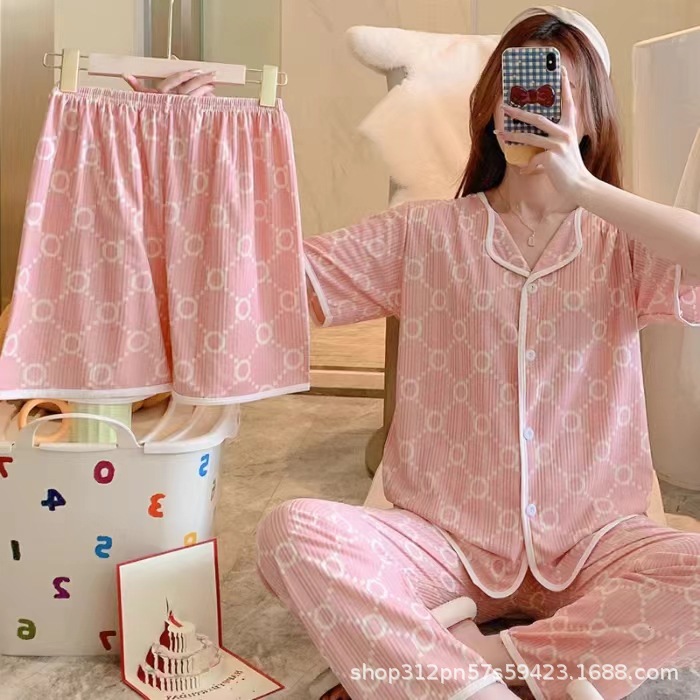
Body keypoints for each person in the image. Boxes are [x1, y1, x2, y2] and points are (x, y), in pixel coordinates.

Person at [129, 6, 700, 699]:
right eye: (520, 88)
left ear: (592, 118)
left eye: (562, 93)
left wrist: (584, 189)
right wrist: (187, 146)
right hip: (441, 543)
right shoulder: (423, 235)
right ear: (491, 109)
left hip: (594, 543)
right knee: (290, 533)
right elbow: (266, 283)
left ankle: (483, 660)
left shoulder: (625, 245)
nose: (537, 108)